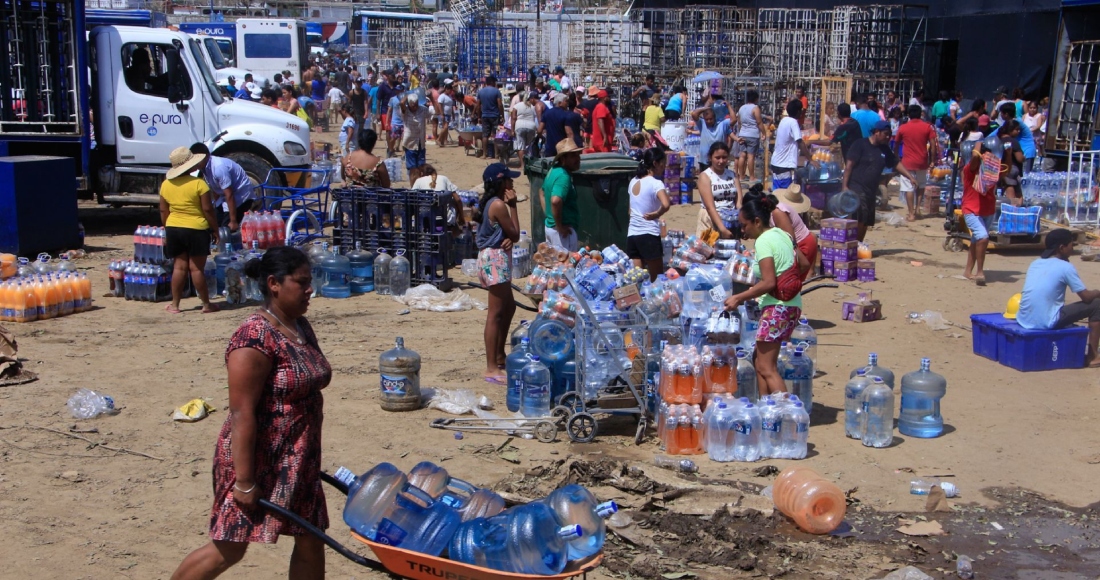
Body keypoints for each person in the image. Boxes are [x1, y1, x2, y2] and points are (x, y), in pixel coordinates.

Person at [170, 247, 331, 579]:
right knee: (230, 545)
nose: (309, 289)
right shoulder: (254, 337)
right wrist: (244, 481)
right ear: (273, 283)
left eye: (309, 281)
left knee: (310, 536)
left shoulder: (299, 326)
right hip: (257, 458)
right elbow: (242, 413)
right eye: (301, 282)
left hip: (299, 458)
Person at [723, 189, 807, 397]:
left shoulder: (763, 241)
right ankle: (766, 411)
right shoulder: (783, 234)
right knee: (760, 364)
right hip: (790, 305)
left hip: (777, 309)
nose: (743, 231)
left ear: (757, 221)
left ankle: (787, 414)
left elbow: (769, 282)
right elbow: (803, 263)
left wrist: (738, 297)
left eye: (745, 225)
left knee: (767, 369)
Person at [1017, 228, 1100, 366]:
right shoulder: (1066, 267)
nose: (1073, 248)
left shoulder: (1035, 263)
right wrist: (1097, 292)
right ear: (1062, 248)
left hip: (1024, 319)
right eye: (1071, 245)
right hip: (1046, 322)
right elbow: (1086, 297)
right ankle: (1093, 356)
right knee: (1097, 304)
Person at [475, 163, 521, 384]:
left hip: (494, 258)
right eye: (509, 180)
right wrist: (514, 206)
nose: (512, 183)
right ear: (501, 183)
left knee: (509, 306)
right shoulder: (499, 206)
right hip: (494, 260)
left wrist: (508, 238)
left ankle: (500, 355)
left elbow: (508, 235)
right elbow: (515, 234)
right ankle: (491, 367)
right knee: (495, 314)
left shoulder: (491, 204)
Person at [158, 147, 219, 314]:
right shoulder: (199, 184)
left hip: (174, 228)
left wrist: (167, 228)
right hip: (196, 228)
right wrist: (215, 230)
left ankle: (175, 305)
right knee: (196, 269)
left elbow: (164, 210)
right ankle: (206, 304)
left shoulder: (166, 184)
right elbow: (208, 210)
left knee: (179, 267)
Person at [842, 120, 917, 242]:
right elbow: (849, 165)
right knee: (859, 218)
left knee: (866, 221)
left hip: (871, 190)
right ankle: (853, 245)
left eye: (889, 134)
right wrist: (845, 186)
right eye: (885, 134)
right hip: (857, 187)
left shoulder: (884, 149)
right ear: (877, 132)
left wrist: (910, 177)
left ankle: (859, 245)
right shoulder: (860, 144)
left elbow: (896, 163)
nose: (888, 137)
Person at [189, 144, 255, 232]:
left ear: (206, 156)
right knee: (214, 224)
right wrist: (216, 208)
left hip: (240, 197)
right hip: (224, 197)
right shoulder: (204, 167)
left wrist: (233, 221)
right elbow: (215, 188)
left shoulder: (218, 168)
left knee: (225, 230)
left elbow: (229, 194)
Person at [628, 148, 672, 281]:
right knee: (657, 279)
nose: (664, 167)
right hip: (649, 235)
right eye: (663, 163)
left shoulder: (633, 181)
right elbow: (666, 204)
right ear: (655, 163)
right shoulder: (655, 183)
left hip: (632, 235)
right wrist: (656, 214)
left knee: (638, 281)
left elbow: (629, 211)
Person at [893, 104, 939, 221]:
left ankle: (911, 213)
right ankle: (918, 209)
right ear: (920, 114)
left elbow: (896, 143)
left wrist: (896, 157)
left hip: (907, 162)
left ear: (909, 115)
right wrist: (932, 160)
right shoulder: (927, 127)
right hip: (922, 161)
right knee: (921, 185)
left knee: (909, 188)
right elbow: (933, 145)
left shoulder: (903, 127)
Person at [960, 142, 996, 284]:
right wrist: (979, 144)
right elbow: (975, 158)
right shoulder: (970, 169)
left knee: (976, 240)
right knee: (982, 238)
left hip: (988, 210)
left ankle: (968, 271)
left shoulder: (992, 170)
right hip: (971, 209)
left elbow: (1007, 170)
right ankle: (980, 272)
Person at [543, 138, 584, 251]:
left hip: (552, 228)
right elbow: (555, 201)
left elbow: (541, 192)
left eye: (578, 154)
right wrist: (560, 227)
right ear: (563, 159)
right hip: (561, 233)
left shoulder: (553, 170)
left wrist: (548, 214)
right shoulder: (563, 176)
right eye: (573, 156)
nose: (578, 159)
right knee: (566, 267)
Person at [771, 184, 817, 280]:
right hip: (805, 243)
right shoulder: (789, 212)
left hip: (800, 246)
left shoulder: (781, 212)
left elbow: (790, 239)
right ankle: (810, 272)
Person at [696, 142, 741, 239]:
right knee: (707, 251)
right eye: (717, 157)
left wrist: (742, 225)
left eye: (724, 157)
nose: (721, 161)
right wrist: (722, 229)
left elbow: (739, 204)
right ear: (710, 158)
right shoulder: (705, 176)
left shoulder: (733, 175)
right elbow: (710, 207)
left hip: (730, 219)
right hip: (710, 218)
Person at [771, 100, 815, 190]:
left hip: (776, 162)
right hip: (783, 165)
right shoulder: (793, 122)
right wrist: (810, 159)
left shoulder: (784, 120)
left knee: (777, 194)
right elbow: (800, 142)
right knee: (785, 195)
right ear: (799, 111)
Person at [690, 98, 733, 174]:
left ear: (715, 118)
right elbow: (694, 114)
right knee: (705, 181)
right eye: (707, 119)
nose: (709, 121)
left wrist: (729, 106)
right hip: (704, 160)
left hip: (719, 160)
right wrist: (707, 107)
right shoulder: (702, 124)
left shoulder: (722, 124)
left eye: (711, 119)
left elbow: (734, 120)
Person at [401, 93, 431, 183]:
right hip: (410, 143)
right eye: (413, 105)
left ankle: (420, 185)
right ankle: (413, 185)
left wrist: (432, 99)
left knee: (421, 166)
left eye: (416, 104)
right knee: (412, 167)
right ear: (409, 104)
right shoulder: (405, 111)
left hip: (420, 142)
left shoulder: (422, 109)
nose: (415, 107)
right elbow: (401, 103)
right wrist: (409, 93)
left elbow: (435, 113)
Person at [735, 89, 765, 181]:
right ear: (756, 99)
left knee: (742, 155)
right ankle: (752, 176)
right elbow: (759, 122)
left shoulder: (741, 108)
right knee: (751, 156)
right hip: (753, 134)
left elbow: (739, 122)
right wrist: (763, 133)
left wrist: (740, 132)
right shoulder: (755, 108)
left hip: (742, 133)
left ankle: (741, 176)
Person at [540, 94, 577, 158]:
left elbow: (539, 130)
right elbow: (569, 133)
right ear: (560, 103)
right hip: (562, 148)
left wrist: (543, 137)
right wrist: (572, 148)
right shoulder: (565, 115)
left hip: (550, 147)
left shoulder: (546, 113)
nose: (567, 103)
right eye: (566, 101)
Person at [477, 76, 505, 159]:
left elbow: (478, 105)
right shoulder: (496, 91)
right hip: (494, 115)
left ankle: (484, 154)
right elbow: (500, 104)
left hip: (485, 115)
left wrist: (479, 116)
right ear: (492, 82)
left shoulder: (481, 92)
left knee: (485, 135)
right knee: (495, 135)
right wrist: (502, 115)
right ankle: (496, 154)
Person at [510, 91, 542, 160]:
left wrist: (512, 130)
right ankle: (530, 163)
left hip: (519, 126)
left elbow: (513, 118)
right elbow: (537, 117)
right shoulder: (533, 106)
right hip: (531, 126)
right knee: (529, 146)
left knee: (521, 146)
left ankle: (522, 165)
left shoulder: (516, 106)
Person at [437, 82, 456, 147]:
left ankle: (442, 141)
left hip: (448, 114)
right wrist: (442, 114)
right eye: (450, 90)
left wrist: (453, 114)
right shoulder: (442, 96)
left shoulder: (450, 96)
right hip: (444, 113)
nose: (450, 91)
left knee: (445, 128)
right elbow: (440, 105)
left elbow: (451, 106)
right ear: (446, 89)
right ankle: (439, 139)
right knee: (445, 127)